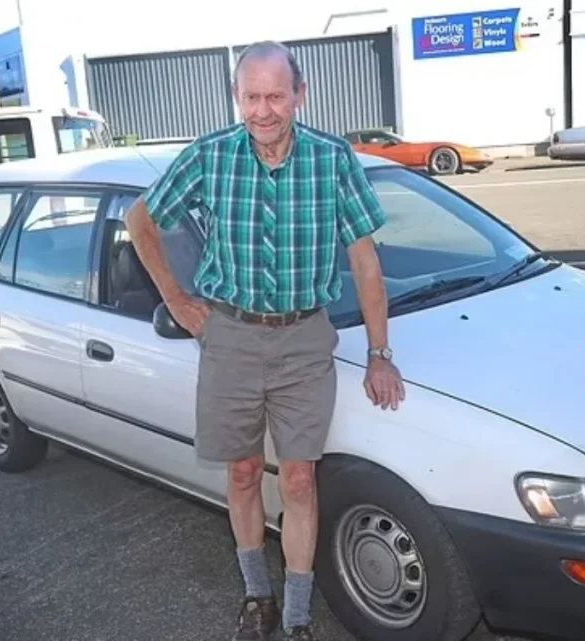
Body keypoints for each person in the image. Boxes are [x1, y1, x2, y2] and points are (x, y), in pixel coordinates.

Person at [125, 40, 405, 641]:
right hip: (230, 337)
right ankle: (258, 595)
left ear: (300, 95)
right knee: (246, 472)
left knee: (300, 478)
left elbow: (365, 264)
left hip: (305, 339)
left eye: (276, 95)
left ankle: (298, 613)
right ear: (236, 98)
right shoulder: (211, 156)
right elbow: (140, 219)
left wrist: (381, 354)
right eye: (251, 96)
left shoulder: (333, 160)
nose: (263, 110)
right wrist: (176, 299)